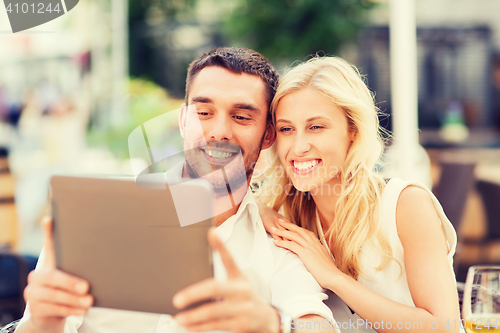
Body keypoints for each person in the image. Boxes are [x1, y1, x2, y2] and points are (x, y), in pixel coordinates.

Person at [14, 47, 336, 333]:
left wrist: (272, 324)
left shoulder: (280, 245)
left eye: (240, 116)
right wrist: (42, 324)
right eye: (204, 112)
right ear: (183, 121)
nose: (219, 131)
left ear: (268, 136)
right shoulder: (94, 217)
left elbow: (319, 325)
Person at [255, 56, 462, 333]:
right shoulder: (291, 215)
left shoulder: (404, 204)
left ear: (352, 130)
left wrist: (334, 278)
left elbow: (443, 327)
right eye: (286, 129)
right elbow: (194, 199)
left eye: (316, 126)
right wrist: (255, 208)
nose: (299, 146)